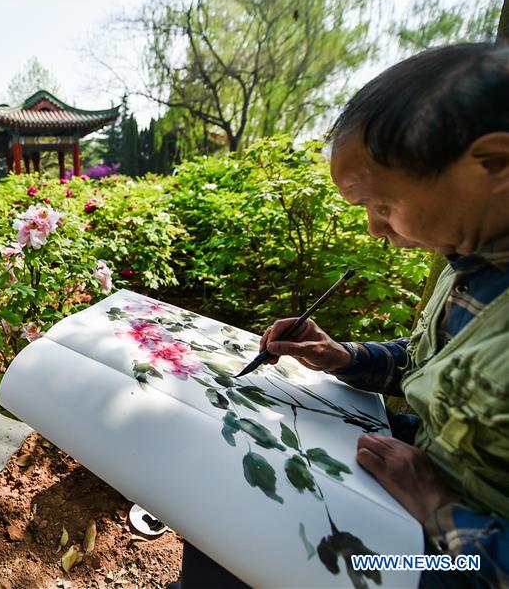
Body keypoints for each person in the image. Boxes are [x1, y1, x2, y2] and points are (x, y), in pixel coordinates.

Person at [171, 42, 508, 588]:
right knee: (222, 504)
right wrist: (344, 357)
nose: (375, 228)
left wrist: (438, 504)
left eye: (383, 204)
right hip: (413, 457)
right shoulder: (473, 259)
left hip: (452, 559)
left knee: (280, 542)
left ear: (494, 164)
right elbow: (439, 364)